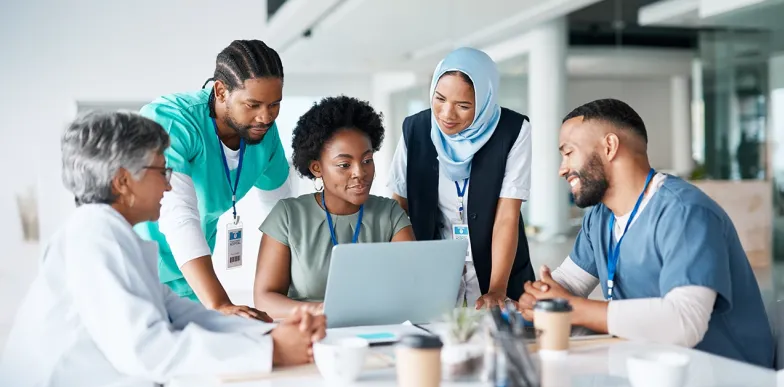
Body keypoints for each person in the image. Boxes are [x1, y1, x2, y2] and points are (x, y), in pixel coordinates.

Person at [0, 112, 326, 387]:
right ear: (123, 181)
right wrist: (273, 351)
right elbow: (147, 348)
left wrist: (276, 332)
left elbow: (184, 315)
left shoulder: (114, 235)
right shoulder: (94, 234)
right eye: (161, 170)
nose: (169, 184)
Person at [518, 98, 774, 368]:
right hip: (654, 372)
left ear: (609, 147)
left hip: (729, 381)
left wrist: (568, 308)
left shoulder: (685, 212)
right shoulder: (600, 217)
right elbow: (567, 284)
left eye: (568, 153)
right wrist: (536, 298)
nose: (562, 168)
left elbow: (684, 322)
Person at [134, 40, 292, 321]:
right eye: (253, 104)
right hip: (137, 269)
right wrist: (219, 303)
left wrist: (287, 291)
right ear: (221, 91)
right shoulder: (174, 121)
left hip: (190, 279)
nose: (266, 117)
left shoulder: (263, 132)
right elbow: (177, 215)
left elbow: (281, 215)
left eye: (275, 104)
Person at [388, 47, 534, 310]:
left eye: (463, 106)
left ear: (485, 101)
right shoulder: (416, 129)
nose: (447, 114)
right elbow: (399, 206)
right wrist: (408, 270)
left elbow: (506, 216)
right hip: (434, 265)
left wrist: (497, 289)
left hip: (498, 266)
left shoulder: (512, 131)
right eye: (440, 98)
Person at [254, 96, 414, 319]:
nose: (360, 172)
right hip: (309, 332)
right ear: (317, 168)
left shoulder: (390, 214)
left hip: (378, 329)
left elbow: (413, 286)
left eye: (367, 160)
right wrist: (320, 311)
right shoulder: (288, 216)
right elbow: (264, 299)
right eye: (344, 165)